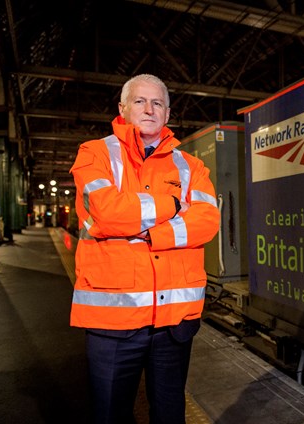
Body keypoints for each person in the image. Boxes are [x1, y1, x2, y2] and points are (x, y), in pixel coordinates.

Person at [69, 73, 220, 423]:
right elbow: (106, 214)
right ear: (123, 109)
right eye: (140, 101)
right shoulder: (95, 154)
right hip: (113, 323)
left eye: (157, 103)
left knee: (170, 415)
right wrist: (170, 205)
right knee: (109, 415)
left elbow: (207, 222)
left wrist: (151, 234)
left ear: (167, 114)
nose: (149, 109)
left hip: (173, 324)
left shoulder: (192, 166)